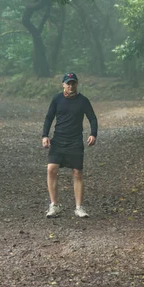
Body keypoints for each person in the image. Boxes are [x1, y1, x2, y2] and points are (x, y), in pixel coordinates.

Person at [42, 72, 98, 218]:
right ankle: (54, 205)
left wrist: (93, 134)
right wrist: (45, 136)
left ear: (77, 84)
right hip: (59, 139)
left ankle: (79, 207)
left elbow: (92, 118)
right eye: (68, 83)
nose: (71, 86)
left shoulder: (83, 101)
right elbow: (49, 117)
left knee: (77, 173)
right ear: (63, 85)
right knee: (51, 169)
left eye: (73, 83)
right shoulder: (57, 99)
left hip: (75, 140)